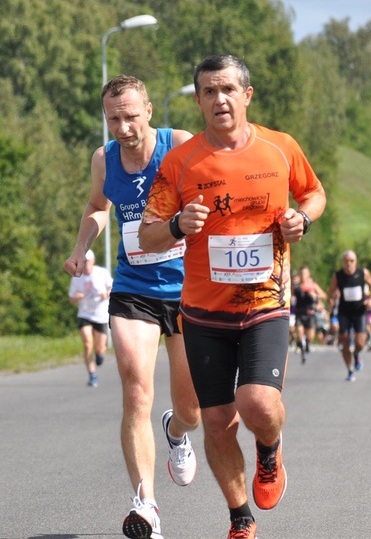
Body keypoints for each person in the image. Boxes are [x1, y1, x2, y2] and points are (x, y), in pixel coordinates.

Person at [139, 54, 326, 539]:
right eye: (209, 92)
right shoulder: (181, 162)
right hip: (204, 314)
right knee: (218, 421)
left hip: (265, 305)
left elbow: (314, 194)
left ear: (247, 95)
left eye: (227, 89)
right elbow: (148, 235)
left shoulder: (280, 148)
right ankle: (240, 517)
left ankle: (269, 450)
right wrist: (177, 224)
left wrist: (302, 219)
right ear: (199, 102)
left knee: (257, 403)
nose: (219, 99)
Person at [63, 75, 201, 539]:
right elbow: (97, 206)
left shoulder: (179, 145)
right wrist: (81, 246)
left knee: (192, 408)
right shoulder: (104, 158)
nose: (123, 127)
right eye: (113, 118)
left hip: (186, 289)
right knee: (137, 391)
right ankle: (146, 505)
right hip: (133, 288)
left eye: (130, 116)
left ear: (149, 111)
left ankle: (176, 431)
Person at [328, 251, 371, 380]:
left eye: (351, 261)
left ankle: (356, 354)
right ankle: (350, 370)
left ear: (356, 262)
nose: (349, 264)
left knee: (360, 343)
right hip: (344, 312)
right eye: (346, 261)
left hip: (359, 312)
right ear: (343, 262)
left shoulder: (363, 273)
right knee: (344, 341)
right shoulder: (338, 276)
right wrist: (334, 295)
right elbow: (331, 292)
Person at [68, 250, 112, 387]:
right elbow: (71, 299)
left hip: (101, 314)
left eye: (87, 261)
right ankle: (92, 374)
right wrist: (77, 297)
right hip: (85, 313)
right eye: (83, 261)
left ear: (93, 261)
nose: (85, 264)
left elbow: (112, 287)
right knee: (87, 344)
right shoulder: (77, 277)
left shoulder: (102, 272)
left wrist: (107, 294)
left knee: (100, 348)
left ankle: (99, 354)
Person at [292, 266, 327, 364]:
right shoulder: (296, 286)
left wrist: (315, 295)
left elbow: (324, 295)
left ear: (308, 274)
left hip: (310, 314)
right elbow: (289, 296)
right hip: (299, 313)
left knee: (310, 336)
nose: (303, 275)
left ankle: (307, 344)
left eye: (305, 273)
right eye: (301, 273)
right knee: (299, 333)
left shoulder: (312, 285)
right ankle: (303, 352)